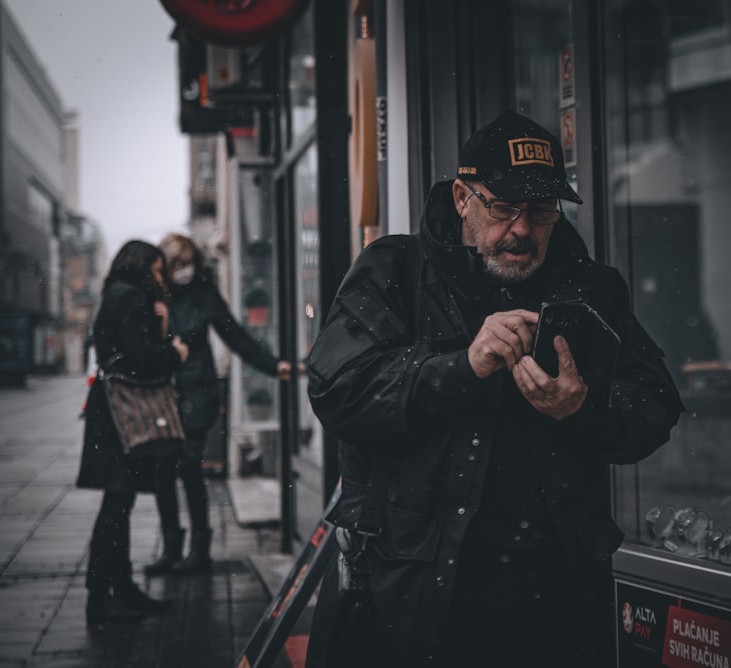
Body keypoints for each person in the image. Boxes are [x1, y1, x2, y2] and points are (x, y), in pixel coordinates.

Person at [304, 109, 685, 666]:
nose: (523, 230)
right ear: (463, 198)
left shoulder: (590, 286)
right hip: (412, 592)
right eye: (504, 209)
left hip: (557, 598)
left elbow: (654, 406)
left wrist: (582, 409)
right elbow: (339, 391)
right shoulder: (396, 270)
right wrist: (462, 366)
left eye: (540, 212)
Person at [144, 233, 292, 576]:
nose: (185, 270)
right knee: (163, 473)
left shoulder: (204, 294)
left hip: (198, 393)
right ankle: (171, 548)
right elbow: (146, 344)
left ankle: (199, 548)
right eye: (177, 264)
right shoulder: (154, 297)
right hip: (164, 396)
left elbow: (235, 336)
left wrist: (273, 365)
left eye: (188, 262)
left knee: (189, 467)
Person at [77, 240, 190, 625]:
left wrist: (157, 323)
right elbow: (142, 359)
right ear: (142, 266)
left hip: (113, 412)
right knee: (116, 504)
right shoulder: (130, 297)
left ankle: (116, 589)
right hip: (122, 414)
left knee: (118, 503)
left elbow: (125, 351)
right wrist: (175, 352)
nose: (161, 277)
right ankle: (101, 597)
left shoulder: (118, 293)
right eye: (157, 269)